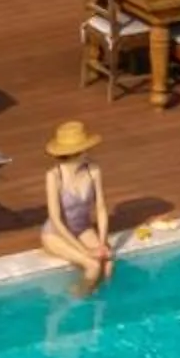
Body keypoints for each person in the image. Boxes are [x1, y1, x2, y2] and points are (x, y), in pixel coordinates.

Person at [40, 120, 114, 292]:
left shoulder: (93, 170)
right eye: (84, 150)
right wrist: (85, 251)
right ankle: (76, 300)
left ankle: (102, 307)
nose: (88, 152)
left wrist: (102, 243)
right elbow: (56, 220)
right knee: (93, 266)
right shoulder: (54, 176)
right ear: (74, 153)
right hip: (56, 234)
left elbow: (101, 208)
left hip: (82, 228)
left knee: (108, 263)